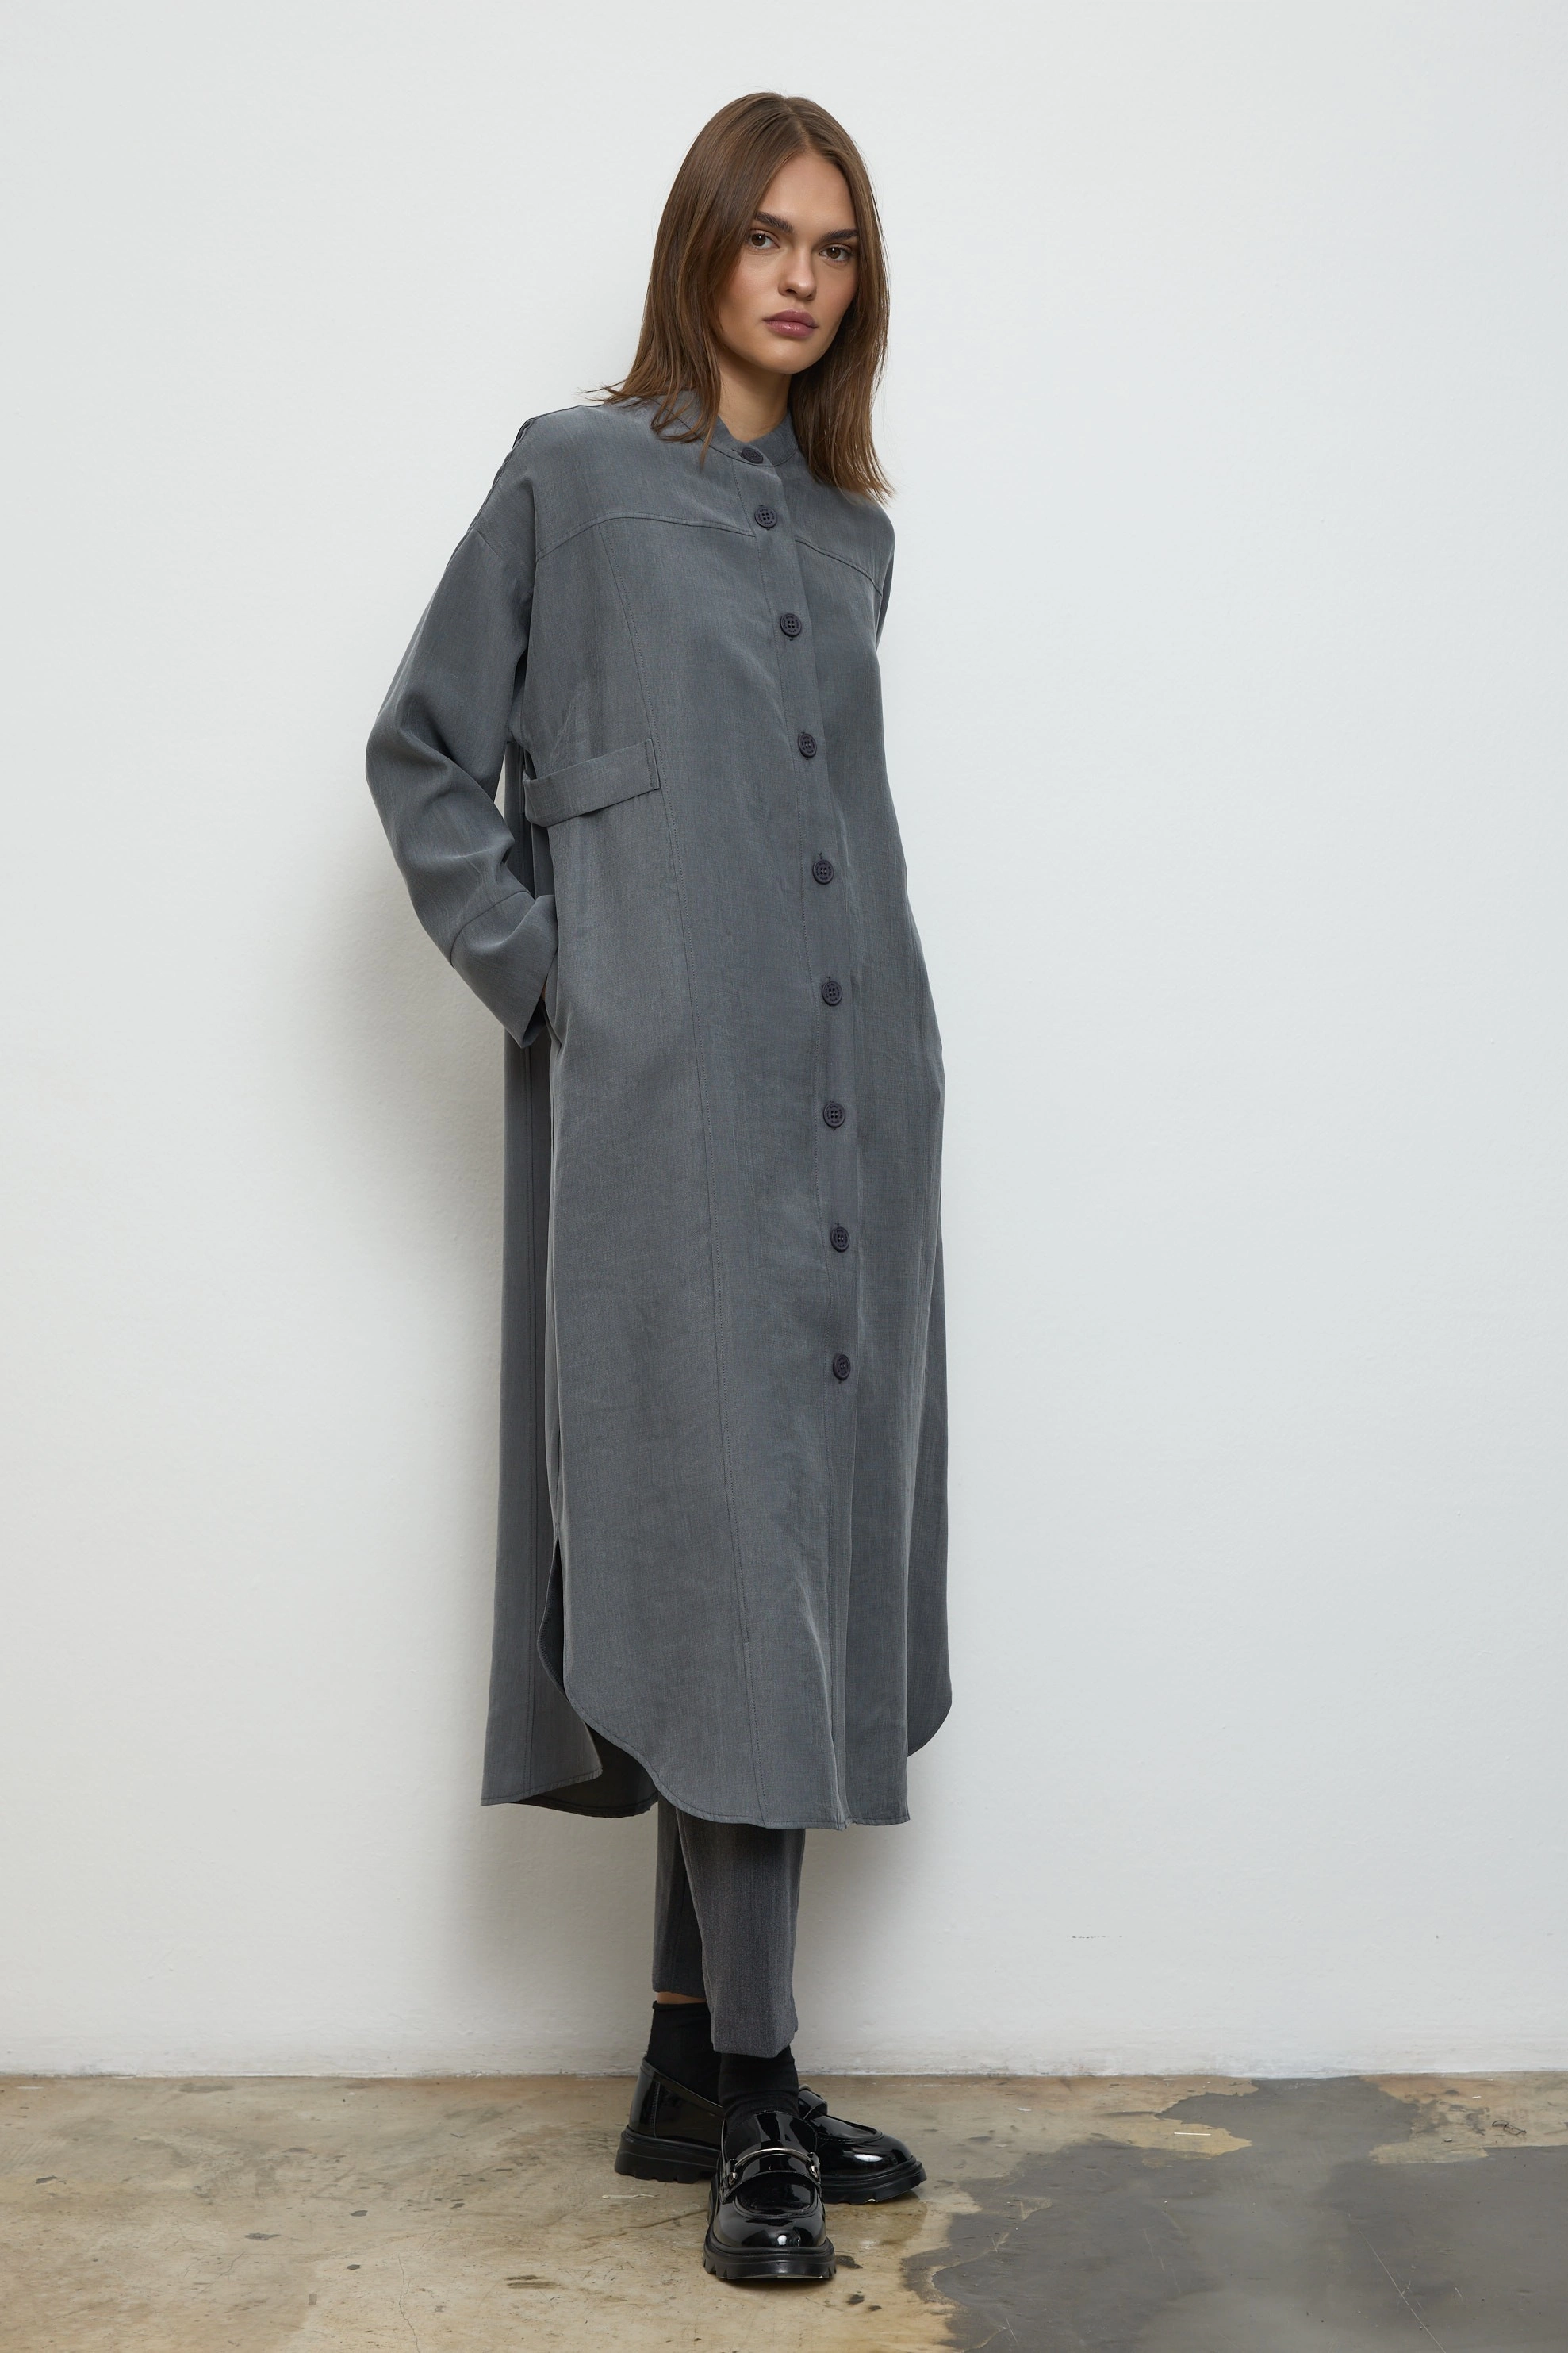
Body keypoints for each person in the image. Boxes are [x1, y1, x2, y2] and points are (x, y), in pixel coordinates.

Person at [366, 90, 948, 2287]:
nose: (802, 276)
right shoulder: (575, 477)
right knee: (721, 1567)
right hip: (668, 1120)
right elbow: (425, 753)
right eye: (768, 234)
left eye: (838, 246)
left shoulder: (848, 532)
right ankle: (767, 2097)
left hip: (856, 1111)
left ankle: (688, 2070)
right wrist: (565, 984)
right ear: (699, 242)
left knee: (800, 1556)